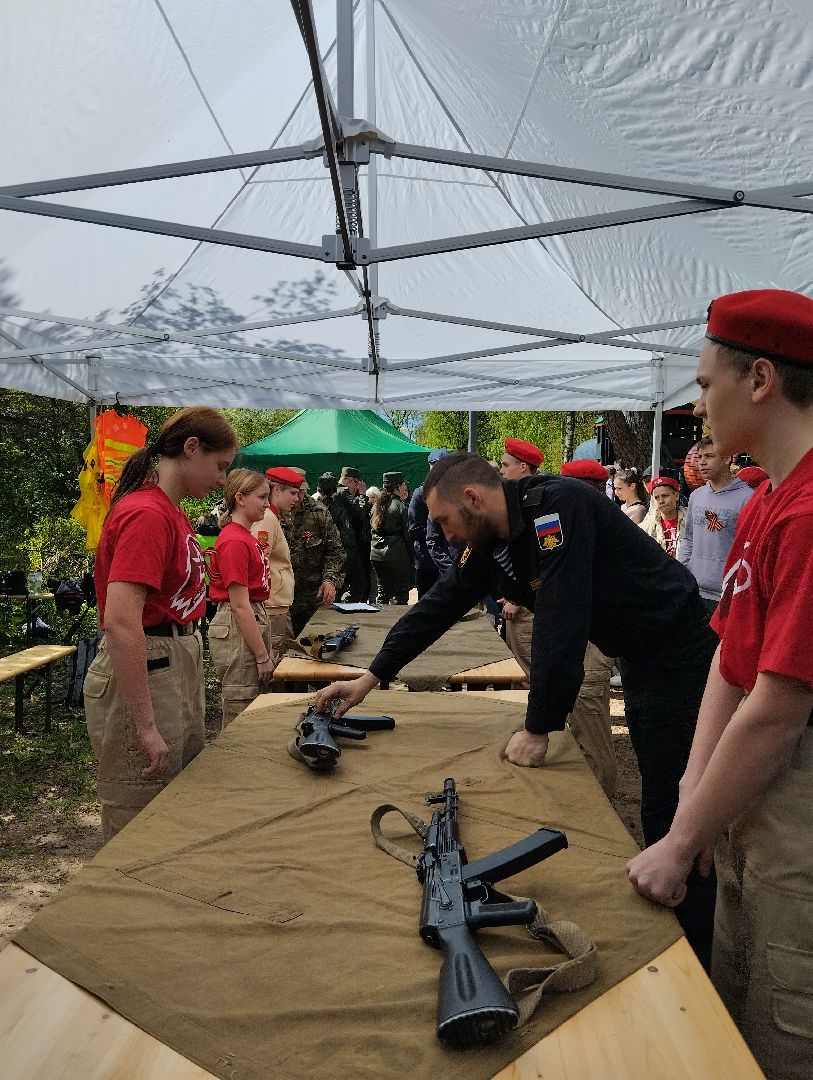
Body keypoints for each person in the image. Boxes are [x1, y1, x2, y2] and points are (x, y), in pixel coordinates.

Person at [314, 451, 718, 965]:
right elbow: (438, 605)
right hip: (641, 655)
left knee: (671, 801)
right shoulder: (491, 541)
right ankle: (678, 916)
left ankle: (695, 950)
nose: (445, 534)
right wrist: (371, 677)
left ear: (474, 498)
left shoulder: (558, 508)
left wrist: (539, 725)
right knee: (662, 797)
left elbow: (562, 618)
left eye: (444, 520)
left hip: (680, 653)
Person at [626, 289, 813, 1078]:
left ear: (760, 379)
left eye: (705, 385)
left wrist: (682, 837)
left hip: (795, 813)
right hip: (758, 806)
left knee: (785, 1028)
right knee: (743, 1009)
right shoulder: (772, 497)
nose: (697, 404)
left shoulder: (803, 511)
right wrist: (691, 806)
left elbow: (775, 708)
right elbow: (730, 665)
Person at [82, 407, 237, 844]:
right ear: (191, 449)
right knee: (139, 816)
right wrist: (146, 726)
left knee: (175, 806)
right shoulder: (148, 515)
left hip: (172, 659)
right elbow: (121, 621)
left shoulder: (171, 512)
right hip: (148, 662)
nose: (223, 480)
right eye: (220, 466)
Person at [558, 458, 617, 796]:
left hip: (595, 643)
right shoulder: (578, 520)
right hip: (581, 638)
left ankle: (602, 807)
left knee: (591, 727)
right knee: (580, 723)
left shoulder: (597, 524)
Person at [207, 470, 273, 727]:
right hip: (238, 627)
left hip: (249, 620)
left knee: (253, 703)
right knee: (241, 708)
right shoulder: (235, 540)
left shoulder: (245, 536)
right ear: (240, 498)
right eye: (262, 497)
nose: (267, 504)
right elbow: (239, 605)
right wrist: (261, 656)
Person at [677, 434, 753, 618]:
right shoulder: (696, 496)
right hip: (695, 589)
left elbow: (749, 550)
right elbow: (688, 538)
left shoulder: (747, 498)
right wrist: (683, 570)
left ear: (727, 458)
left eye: (709, 456)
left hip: (728, 594)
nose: (701, 462)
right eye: (700, 457)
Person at [497, 437, 545, 674]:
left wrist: (518, 598)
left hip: (529, 606)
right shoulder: (515, 499)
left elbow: (544, 561)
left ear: (523, 467)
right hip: (517, 602)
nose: (501, 471)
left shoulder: (539, 503)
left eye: (506, 466)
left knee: (528, 673)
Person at [283, 469, 346, 635]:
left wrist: (330, 580)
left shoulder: (318, 512)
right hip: (279, 602)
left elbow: (336, 551)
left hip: (312, 599)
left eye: (301, 492)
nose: (297, 498)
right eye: (292, 493)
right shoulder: (269, 514)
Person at [251, 466, 302, 668]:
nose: (296, 499)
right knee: (276, 664)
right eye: (292, 493)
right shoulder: (267, 520)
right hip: (272, 605)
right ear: (277, 491)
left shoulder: (272, 517)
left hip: (276, 602)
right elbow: (259, 562)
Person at [408, 448, 451, 597]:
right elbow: (414, 529)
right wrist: (438, 532)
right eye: (435, 466)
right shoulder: (421, 493)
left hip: (449, 559)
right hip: (427, 561)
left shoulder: (453, 491)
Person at [369, 471, 412, 604]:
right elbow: (407, 534)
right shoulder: (400, 506)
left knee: (383, 592)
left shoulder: (376, 506)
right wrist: (412, 555)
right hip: (396, 554)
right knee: (400, 593)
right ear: (398, 486)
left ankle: (381, 622)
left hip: (376, 554)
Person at [335, 466, 372, 601]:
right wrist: (362, 495)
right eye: (357, 483)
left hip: (342, 545)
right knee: (357, 583)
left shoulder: (336, 493)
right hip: (346, 546)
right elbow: (360, 513)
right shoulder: (342, 493)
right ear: (350, 481)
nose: (357, 487)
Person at [640, 476, 686, 557]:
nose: (661, 501)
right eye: (657, 498)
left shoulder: (690, 520)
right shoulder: (647, 526)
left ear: (676, 496)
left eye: (665, 496)